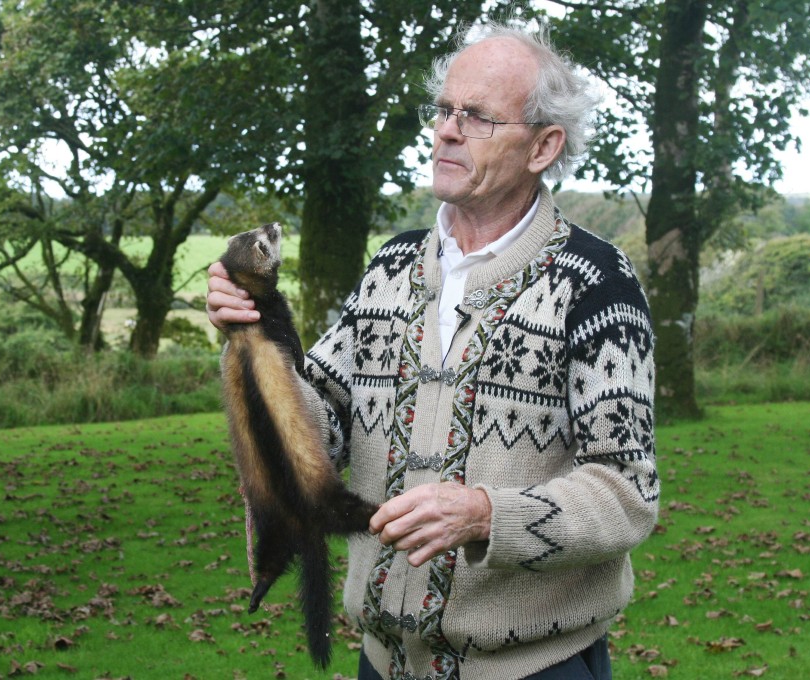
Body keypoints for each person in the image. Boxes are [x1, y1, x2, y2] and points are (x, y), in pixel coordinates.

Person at [207, 21, 658, 680]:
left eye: (476, 117)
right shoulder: (390, 268)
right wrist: (251, 332)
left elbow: (625, 495)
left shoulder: (595, 284)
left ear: (543, 146)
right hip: (383, 664)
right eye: (444, 110)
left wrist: (486, 514)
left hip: (533, 670)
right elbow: (318, 430)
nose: (445, 130)